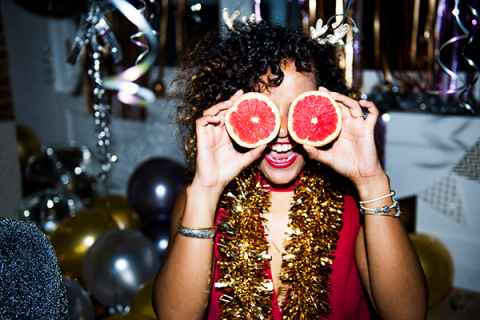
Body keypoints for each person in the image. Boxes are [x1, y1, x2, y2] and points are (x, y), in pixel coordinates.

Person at [153, 9, 428, 320]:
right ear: (234, 113)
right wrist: (205, 190)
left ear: (326, 110)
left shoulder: (353, 200)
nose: (282, 131)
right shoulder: (201, 202)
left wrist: (372, 180)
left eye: (297, 109)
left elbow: (409, 314)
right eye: (266, 110)